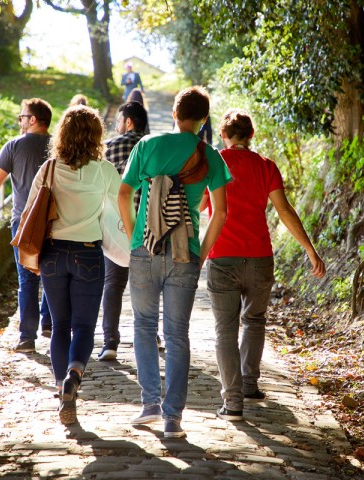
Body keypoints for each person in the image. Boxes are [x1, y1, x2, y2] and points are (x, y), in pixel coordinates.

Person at [118, 86, 232, 438]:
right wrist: (202, 253)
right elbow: (221, 212)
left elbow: (123, 195)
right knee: (177, 335)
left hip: (144, 250)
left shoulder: (147, 146)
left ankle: (149, 403)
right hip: (186, 253)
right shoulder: (210, 155)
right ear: (203, 120)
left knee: (143, 327)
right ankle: (173, 418)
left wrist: (132, 235)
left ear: (174, 114)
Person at [204, 109, 326, 422]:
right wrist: (310, 250)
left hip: (222, 257)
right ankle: (249, 384)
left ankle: (232, 402)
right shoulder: (266, 166)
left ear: (224, 135)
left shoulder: (214, 163)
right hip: (260, 258)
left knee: (225, 331)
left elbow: (201, 206)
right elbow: (284, 211)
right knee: (255, 320)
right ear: (251, 135)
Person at [25, 105, 121, 425]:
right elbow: (121, 209)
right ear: (96, 136)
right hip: (89, 254)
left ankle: (59, 388)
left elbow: (30, 211)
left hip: (53, 255)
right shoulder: (103, 170)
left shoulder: (50, 169)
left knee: (59, 324)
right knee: (83, 326)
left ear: (62, 134)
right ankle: (74, 377)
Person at [0, 98, 53, 352]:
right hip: (55, 222)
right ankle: (49, 322)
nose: (20, 121)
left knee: (27, 279)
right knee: (52, 273)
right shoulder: (59, 146)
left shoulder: (13, 146)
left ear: (32, 120)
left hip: (23, 222)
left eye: (22, 117)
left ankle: (27, 338)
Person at [99, 101, 148, 361]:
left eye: (119, 121)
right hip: (149, 229)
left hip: (117, 228)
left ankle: (110, 342)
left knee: (113, 284)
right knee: (148, 287)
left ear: (128, 121)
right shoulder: (152, 145)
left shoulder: (112, 147)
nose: (116, 126)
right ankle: (152, 336)